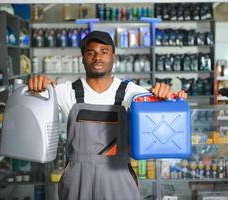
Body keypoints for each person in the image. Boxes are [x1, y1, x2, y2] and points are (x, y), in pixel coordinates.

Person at [28, 30, 186, 200]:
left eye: (104, 51)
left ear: (113, 57)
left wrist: (168, 95)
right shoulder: (67, 91)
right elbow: (30, 106)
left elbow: (171, 108)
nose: (97, 57)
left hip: (119, 177)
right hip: (78, 179)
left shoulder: (132, 93)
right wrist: (36, 87)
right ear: (83, 58)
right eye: (91, 52)